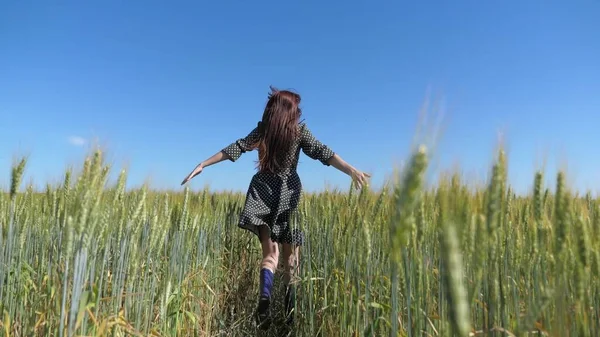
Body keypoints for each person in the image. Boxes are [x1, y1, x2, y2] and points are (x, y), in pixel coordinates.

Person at [181, 86, 370, 330]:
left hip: (261, 191)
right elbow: (324, 153)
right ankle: (289, 316)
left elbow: (235, 148)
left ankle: (264, 298)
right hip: (288, 192)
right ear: (290, 111)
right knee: (292, 258)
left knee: (270, 255)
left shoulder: (263, 130)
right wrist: (351, 169)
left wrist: (203, 164)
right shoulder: (299, 132)